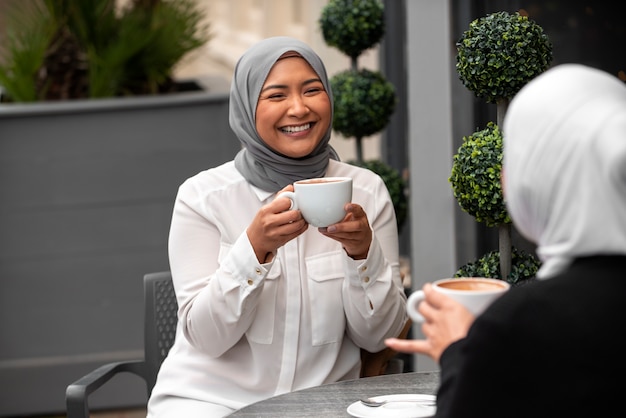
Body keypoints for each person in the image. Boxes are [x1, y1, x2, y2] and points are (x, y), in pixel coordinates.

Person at [146, 36, 408, 417]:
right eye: (276, 95)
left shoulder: (365, 191)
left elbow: (379, 336)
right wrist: (254, 249)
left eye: (312, 90)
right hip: (209, 403)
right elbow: (207, 338)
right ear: (247, 107)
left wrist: (363, 253)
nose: (298, 108)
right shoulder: (203, 197)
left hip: (322, 407)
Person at [385, 63, 626, 417]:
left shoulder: (523, 327)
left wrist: (459, 353)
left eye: (513, 158)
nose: (502, 177)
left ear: (540, 176)